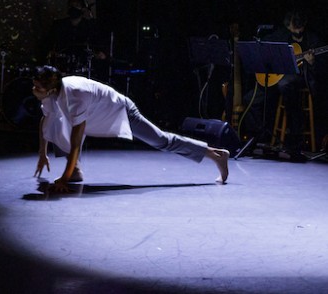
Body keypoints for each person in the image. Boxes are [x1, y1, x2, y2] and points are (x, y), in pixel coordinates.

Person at [30, 65, 230, 193]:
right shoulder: (54, 95)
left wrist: (63, 179)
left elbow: (76, 141)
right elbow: (46, 121)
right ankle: (75, 171)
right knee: (58, 123)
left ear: (49, 88)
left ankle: (215, 154)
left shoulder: (74, 95)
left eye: (37, 87)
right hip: (97, 115)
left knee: (161, 141)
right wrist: (42, 154)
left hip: (121, 111)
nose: (33, 90)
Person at [242, 10, 324, 159]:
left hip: (298, 78)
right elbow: (265, 49)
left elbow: (319, 72)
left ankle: (294, 140)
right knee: (249, 99)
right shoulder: (280, 35)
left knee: (285, 85)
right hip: (275, 78)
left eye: (300, 27)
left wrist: (311, 63)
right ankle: (258, 138)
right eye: (294, 27)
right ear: (288, 26)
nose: (298, 30)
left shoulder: (312, 40)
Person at [43, 0, 106, 79]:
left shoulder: (90, 26)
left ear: (83, 9)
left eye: (76, 6)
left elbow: (97, 44)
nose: (73, 8)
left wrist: (99, 53)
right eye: (71, 6)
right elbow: (49, 42)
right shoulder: (59, 25)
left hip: (84, 64)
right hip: (62, 63)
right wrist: (51, 52)